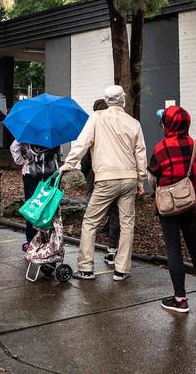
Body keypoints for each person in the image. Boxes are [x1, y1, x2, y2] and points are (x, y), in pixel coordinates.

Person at [59, 85, 146, 281]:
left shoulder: (96, 118)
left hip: (106, 178)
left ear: (106, 101)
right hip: (130, 177)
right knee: (127, 223)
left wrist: (69, 164)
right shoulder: (133, 123)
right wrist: (141, 180)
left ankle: (86, 268)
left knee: (90, 221)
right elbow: (140, 153)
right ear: (123, 100)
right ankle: (121, 269)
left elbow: (83, 143)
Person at [147, 105, 196, 313]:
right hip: (190, 204)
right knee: (195, 245)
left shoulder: (161, 148)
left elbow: (152, 177)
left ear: (167, 124)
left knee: (174, 249)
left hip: (168, 207)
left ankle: (180, 299)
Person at [81, 98, 120, 266]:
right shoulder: (118, 128)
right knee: (115, 215)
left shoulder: (94, 127)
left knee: (90, 219)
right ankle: (113, 250)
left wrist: (85, 172)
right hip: (118, 177)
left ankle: (86, 264)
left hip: (97, 178)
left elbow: (86, 159)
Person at [10, 139, 61, 250]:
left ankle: (31, 241)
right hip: (52, 173)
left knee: (32, 206)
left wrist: (22, 161)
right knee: (49, 207)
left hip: (31, 172)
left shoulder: (29, 129)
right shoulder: (54, 131)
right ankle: (49, 241)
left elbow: (14, 147)